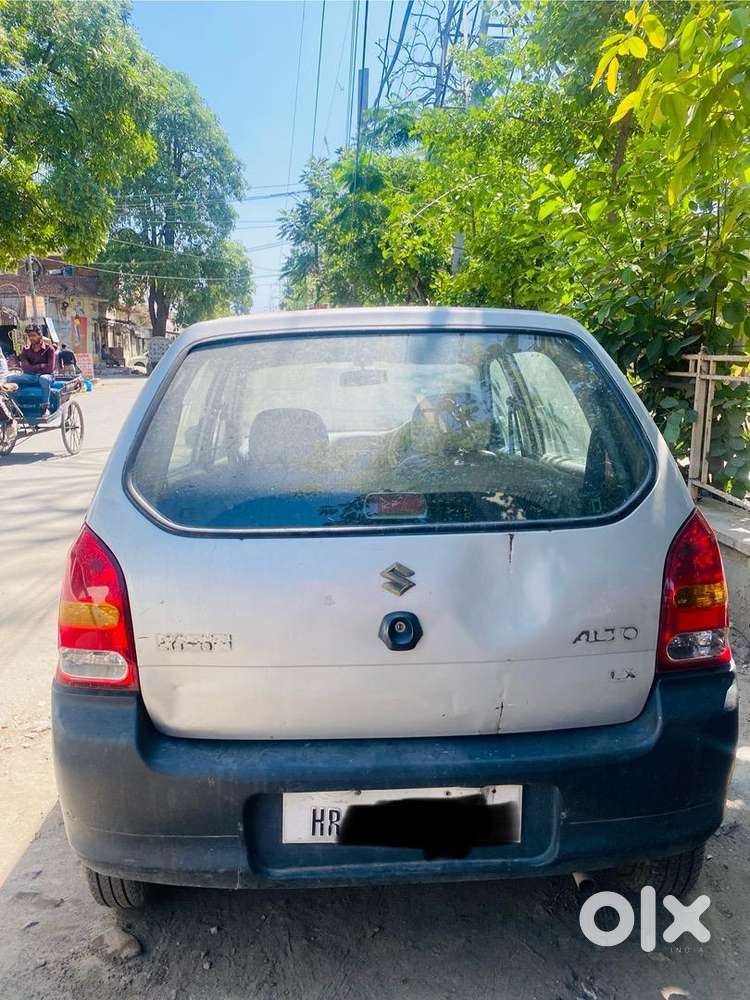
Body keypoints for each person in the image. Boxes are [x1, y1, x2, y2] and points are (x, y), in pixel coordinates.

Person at [5, 325, 56, 413]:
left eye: (33, 335)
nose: (31, 338)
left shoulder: (49, 349)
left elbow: (50, 368)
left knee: (43, 378)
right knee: (9, 378)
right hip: (31, 376)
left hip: (47, 377)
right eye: (29, 336)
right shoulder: (26, 350)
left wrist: (32, 368)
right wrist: (41, 366)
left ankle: (45, 408)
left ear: (40, 336)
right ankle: (15, 407)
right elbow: (25, 368)